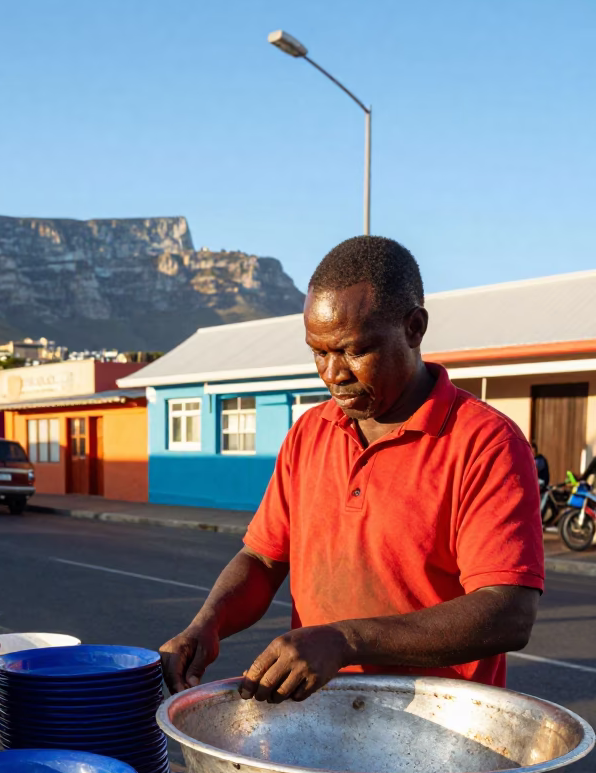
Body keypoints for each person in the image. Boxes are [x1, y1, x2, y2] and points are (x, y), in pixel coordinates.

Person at [161, 236, 544, 702]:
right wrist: (207, 625)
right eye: (319, 352)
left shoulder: (486, 443)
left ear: (414, 328)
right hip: (319, 713)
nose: (332, 373)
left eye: (353, 350)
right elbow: (263, 559)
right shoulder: (309, 433)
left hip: (438, 730)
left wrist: (345, 639)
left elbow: (508, 612)